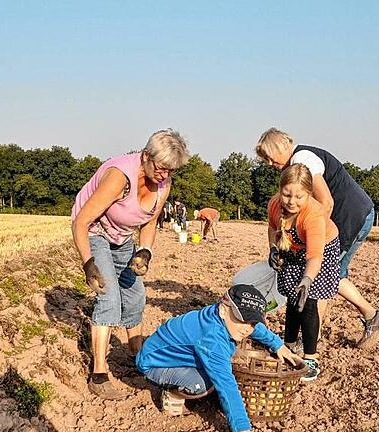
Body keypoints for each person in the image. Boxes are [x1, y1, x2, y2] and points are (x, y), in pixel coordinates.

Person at [71, 129, 190, 399]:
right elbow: (80, 221)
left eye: (171, 171)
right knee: (109, 296)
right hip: (95, 233)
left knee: (135, 295)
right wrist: (88, 263)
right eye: (161, 168)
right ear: (146, 156)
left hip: (122, 237)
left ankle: (138, 356)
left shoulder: (163, 184)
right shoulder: (119, 177)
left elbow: (149, 222)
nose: (165, 175)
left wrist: (145, 251)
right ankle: (99, 374)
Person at [256, 127, 379, 349]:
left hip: (349, 216)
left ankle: (310, 339)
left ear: (281, 147)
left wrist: (314, 238)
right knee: (333, 273)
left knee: (320, 273)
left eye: (270, 158)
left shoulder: (302, 159)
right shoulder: (298, 162)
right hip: (355, 213)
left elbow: (326, 202)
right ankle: (370, 316)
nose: (270, 164)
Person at [136, 284, 304, 432]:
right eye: (242, 320)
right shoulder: (212, 339)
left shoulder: (220, 315)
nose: (247, 328)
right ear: (224, 309)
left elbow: (255, 328)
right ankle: (173, 394)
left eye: (252, 323)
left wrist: (278, 345)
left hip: (176, 357)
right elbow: (226, 384)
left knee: (218, 370)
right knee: (205, 384)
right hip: (154, 365)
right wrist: (242, 427)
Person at [267, 164, 340, 381]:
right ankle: (288, 346)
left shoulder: (313, 215)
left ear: (308, 193)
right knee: (292, 298)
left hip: (321, 251)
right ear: (280, 190)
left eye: (299, 196)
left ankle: (311, 358)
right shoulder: (274, 205)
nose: (291, 201)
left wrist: (307, 280)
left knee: (307, 301)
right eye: (286, 194)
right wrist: (273, 249)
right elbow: (272, 228)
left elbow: (315, 256)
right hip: (294, 249)